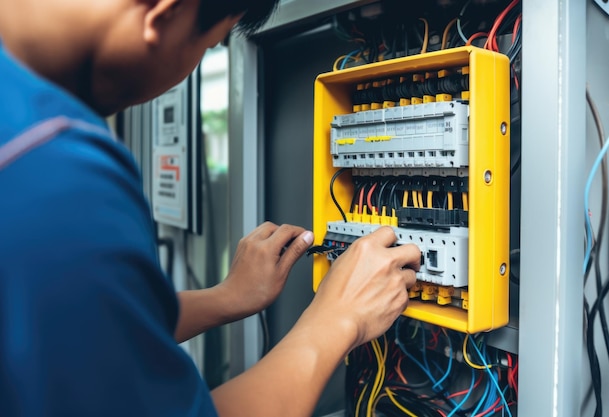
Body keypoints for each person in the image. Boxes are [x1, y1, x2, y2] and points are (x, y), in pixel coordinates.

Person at [0, 0, 422, 416]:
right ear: (165, 14)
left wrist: (224, 298)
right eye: (209, 45)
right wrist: (338, 320)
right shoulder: (53, 170)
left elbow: (75, 334)